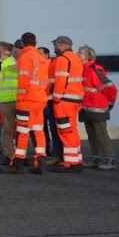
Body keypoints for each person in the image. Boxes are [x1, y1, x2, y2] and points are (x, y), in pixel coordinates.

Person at [2, 32, 50, 175]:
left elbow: (23, 80)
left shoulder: (25, 57)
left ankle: (17, 163)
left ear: (23, 43)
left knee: (22, 131)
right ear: (36, 42)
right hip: (40, 99)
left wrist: (21, 98)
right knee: (38, 131)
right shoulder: (41, 58)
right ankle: (40, 162)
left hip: (27, 100)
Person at [48, 35, 86, 172]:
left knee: (65, 131)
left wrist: (56, 98)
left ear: (60, 44)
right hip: (75, 99)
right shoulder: (76, 59)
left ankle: (71, 163)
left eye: (55, 44)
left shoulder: (62, 59)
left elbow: (60, 81)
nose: (54, 47)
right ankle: (76, 159)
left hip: (64, 101)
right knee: (72, 130)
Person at [78, 45, 118, 170]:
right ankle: (96, 158)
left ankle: (110, 159)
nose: (78, 54)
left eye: (81, 52)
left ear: (89, 56)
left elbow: (111, 88)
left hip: (97, 107)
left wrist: (110, 103)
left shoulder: (95, 70)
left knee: (101, 135)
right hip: (86, 106)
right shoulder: (82, 69)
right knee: (91, 135)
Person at [0, 41, 20, 163]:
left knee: (22, 130)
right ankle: (9, 155)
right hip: (7, 100)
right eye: (16, 48)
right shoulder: (5, 62)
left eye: (20, 48)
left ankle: (21, 155)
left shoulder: (27, 62)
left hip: (21, 100)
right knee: (7, 129)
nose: (17, 50)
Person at [39, 45, 60, 164]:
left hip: (50, 100)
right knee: (42, 127)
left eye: (41, 53)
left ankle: (55, 151)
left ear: (47, 55)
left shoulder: (52, 65)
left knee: (53, 127)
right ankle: (45, 148)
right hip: (40, 100)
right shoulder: (38, 66)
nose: (39, 56)